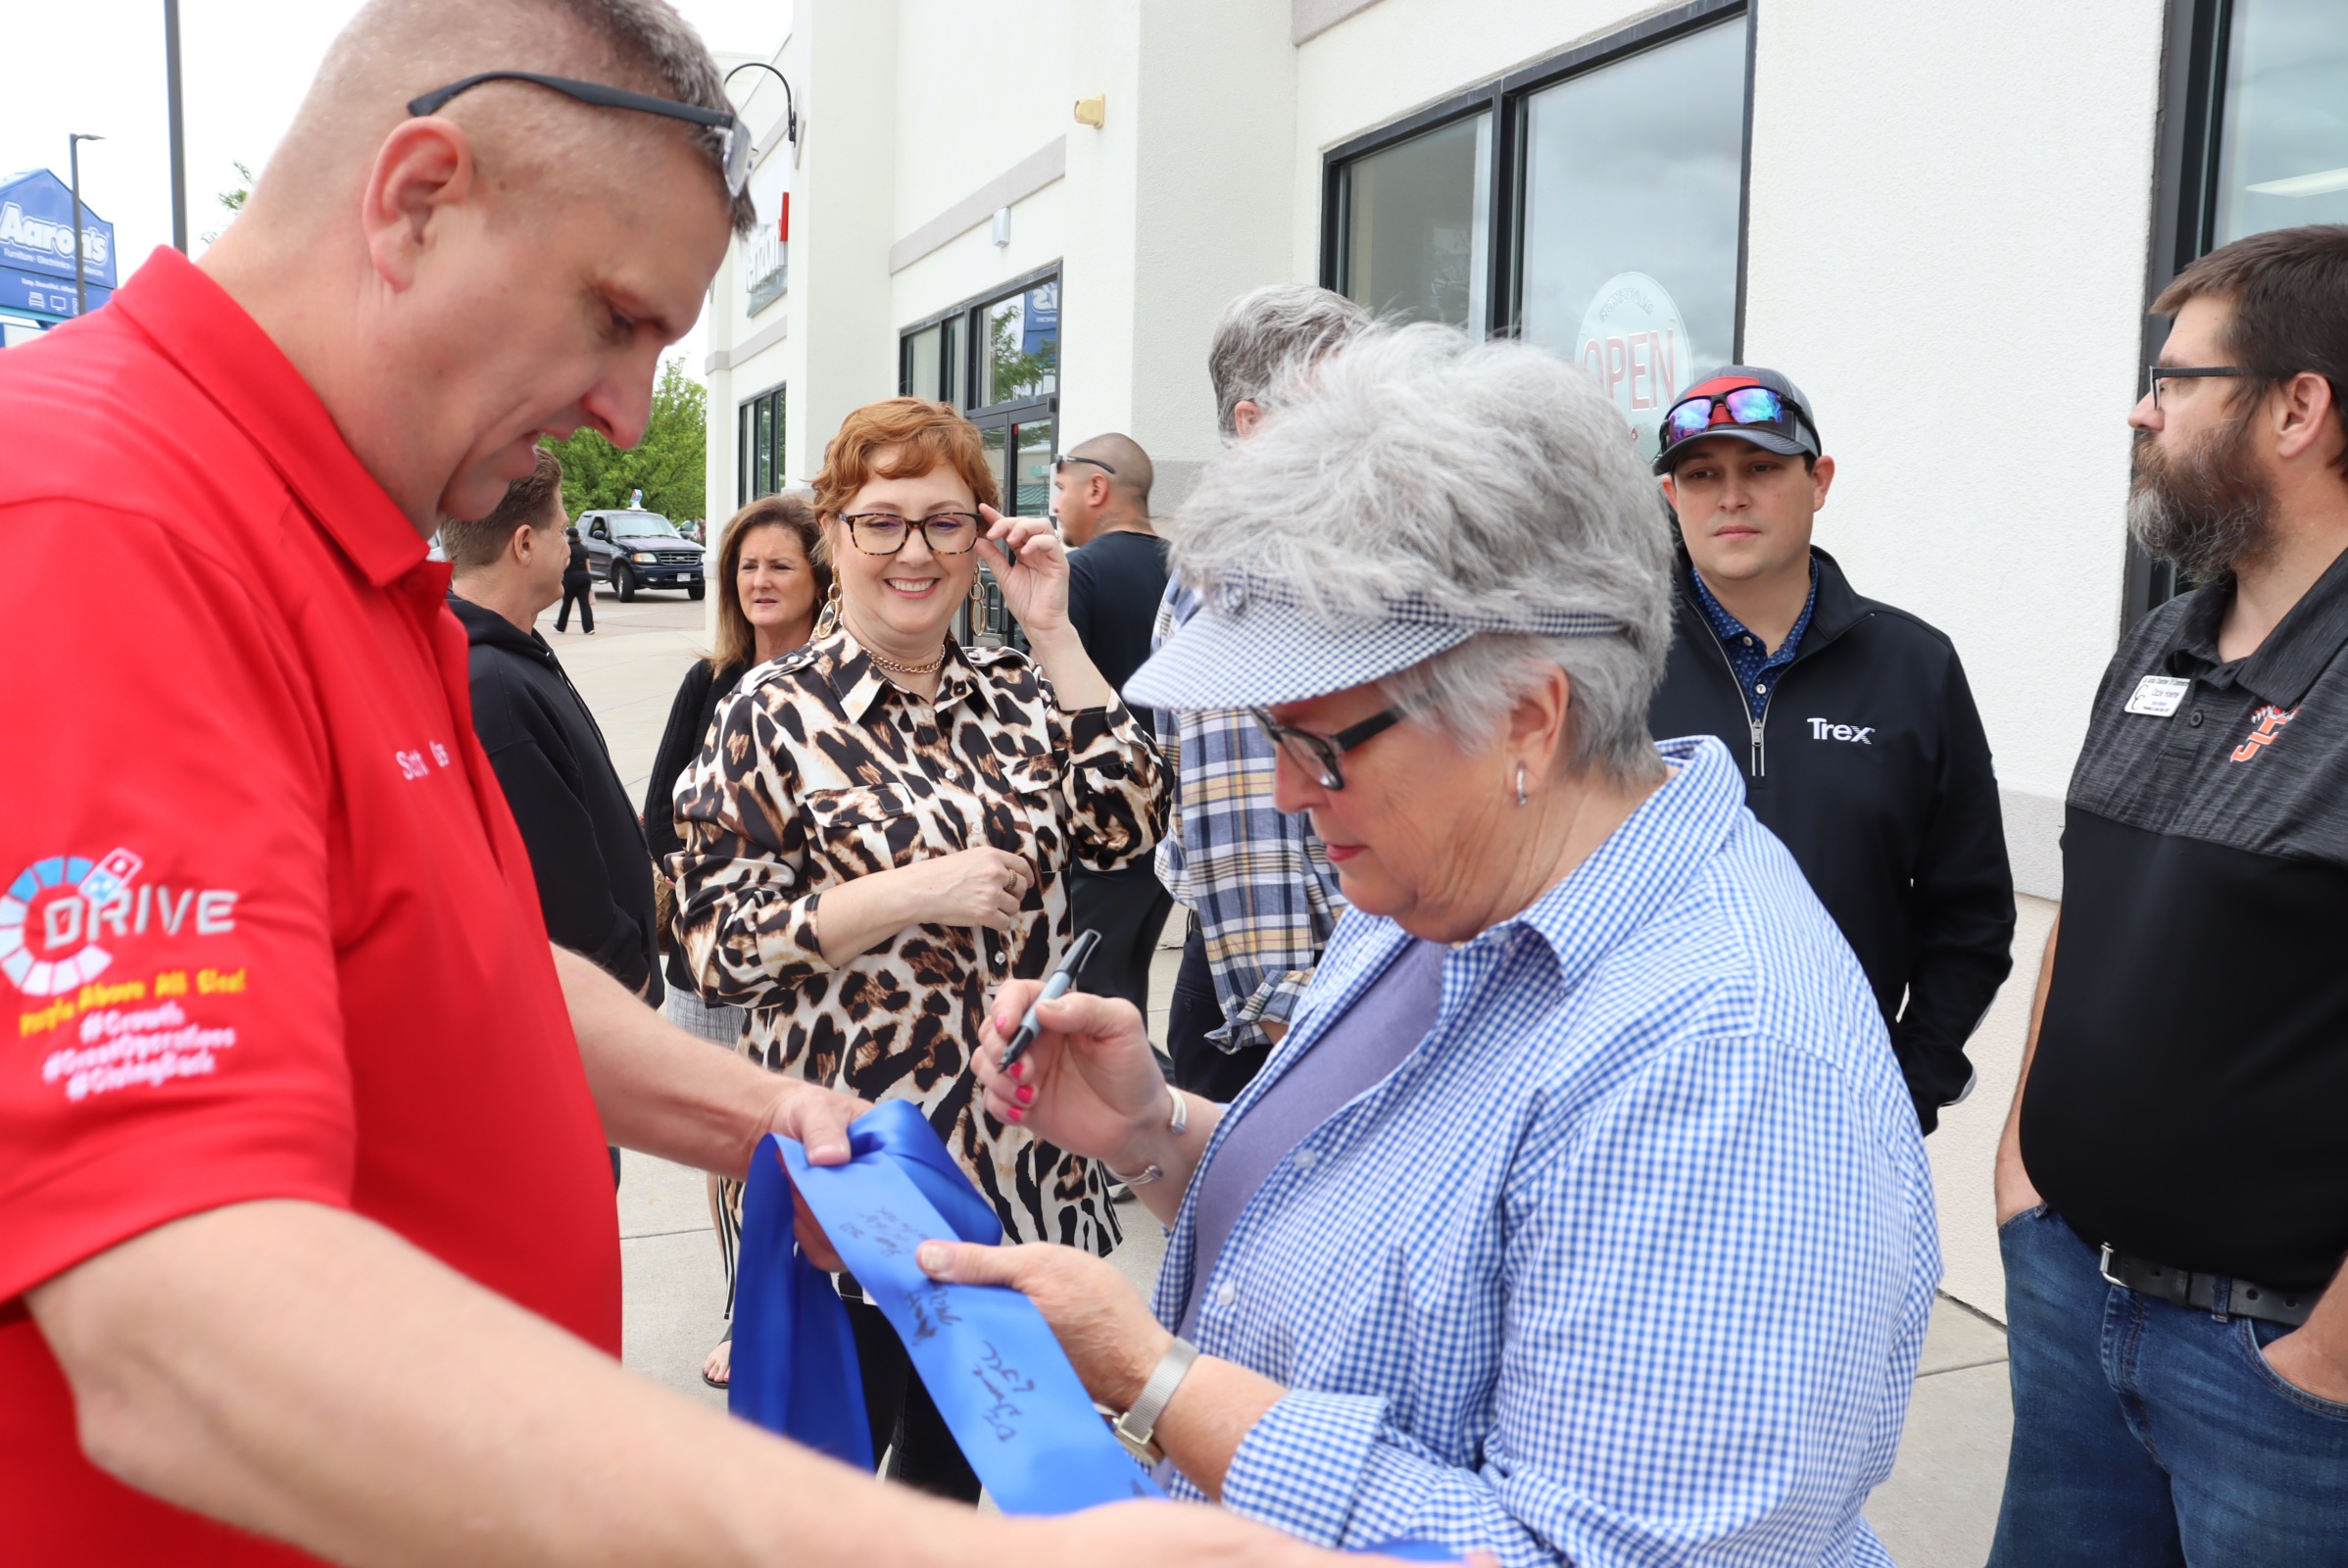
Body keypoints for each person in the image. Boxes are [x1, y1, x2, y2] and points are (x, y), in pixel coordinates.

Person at [0, 5, 1362, 1565]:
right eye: (617, 319)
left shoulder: (348, 556)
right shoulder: (101, 521)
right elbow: (175, 1321)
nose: (631, 417)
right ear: (417, 200)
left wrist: (773, 1110)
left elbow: (480, 971)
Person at [918, 323, 1939, 1566]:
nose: (1288, 796)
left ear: (1525, 714)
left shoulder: (1726, 1066)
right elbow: (1394, 1250)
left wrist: (1152, 1379)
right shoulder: (1451, 880)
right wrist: (1157, 1130)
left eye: (1318, 743)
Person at [670, 397, 1167, 1499]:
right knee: (831, 1496)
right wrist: (902, 894)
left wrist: (1052, 627)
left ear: (980, 534)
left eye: (944, 523)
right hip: (857, 1186)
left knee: (955, 1486)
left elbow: (1130, 821)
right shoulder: (769, 708)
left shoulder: (1016, 686)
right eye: (881, 521)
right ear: (833, 535)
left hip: (1016, 1171)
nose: (914, 552)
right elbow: (712, 942)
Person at [1988, 224, 2348, 1565]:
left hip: (2282, 1375)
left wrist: (2326, 1357)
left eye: (2178, 378)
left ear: (2298, 406)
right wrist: (2024, 1168)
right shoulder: (2161, 640)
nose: (2146, 409)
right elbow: (2091, 907)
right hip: (2074, 1296)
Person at [1646, 366, 2015, 1131]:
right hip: (1636, 1107)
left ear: (1819, 481)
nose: (1732, 496)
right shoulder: (1608, 662)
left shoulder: (1916, 667)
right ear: (1669, 496)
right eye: (1702, 474)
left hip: (1840, 1110)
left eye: (1762, 468)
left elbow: (1970, 914)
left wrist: (1912, 1083)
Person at [1152, 284, 1370, 1102]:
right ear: (1254, 427)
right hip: (1292, 1015)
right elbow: (1248, 828)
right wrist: (1298, 1024)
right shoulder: (1248, 576)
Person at [639, 489, 830, 1389]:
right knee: (733, 1146)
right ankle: (741, 1308)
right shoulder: (709, 682)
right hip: (713, 962)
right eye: (746, 566)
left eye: (778, 565)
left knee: (809, 1139)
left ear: (817, 577)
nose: (759, 580)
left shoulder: (839, 687)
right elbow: (655, 819)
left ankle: (815, 1297)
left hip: (815, 967)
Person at [450, 446, 663, 1011]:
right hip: (600, 1006)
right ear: (524, 544)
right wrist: (627, 975)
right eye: (563, 530)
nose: (570, 545)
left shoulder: (510, 656)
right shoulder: (492, 683)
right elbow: (553, 874)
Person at [1055, 433, 1174, 1026]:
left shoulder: (1081, 574)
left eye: (1060, 488)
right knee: (1125, 986)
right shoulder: (1191, 573)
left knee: (1079, 994)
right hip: (1175, 823)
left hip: (1101, 820)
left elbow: (1049, 700)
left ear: (1096, 488)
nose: (1056, 505)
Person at [556, 521, 597, 633]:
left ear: (569, 536)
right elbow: (588, 565)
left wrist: (561, 573)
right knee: (584, 604)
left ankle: (560, 626)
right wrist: (589, 579)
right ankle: (589, 628)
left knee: (567, 603)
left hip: (571, 579)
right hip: (585, 577)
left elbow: (566, 562)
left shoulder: (567, 548)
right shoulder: (584, 548)